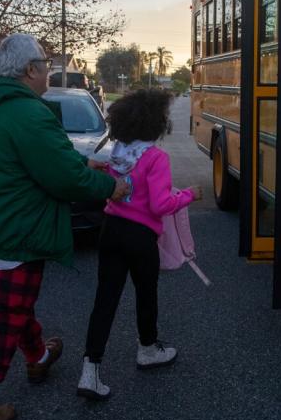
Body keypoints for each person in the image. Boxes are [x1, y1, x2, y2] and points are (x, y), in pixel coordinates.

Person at [0, 33, 129, 420]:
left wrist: (88, 162)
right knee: (5, 316)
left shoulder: (2, 108)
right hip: (12, 229)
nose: (49, 68)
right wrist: (109, 188)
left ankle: (37, 356)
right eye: (46, 62)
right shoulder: (28, 113)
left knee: (15, 303)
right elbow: (62, 176)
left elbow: (45, 156)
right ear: (30, 69)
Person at [77, 89, 202, 400]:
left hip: (111, 230)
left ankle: (89, 370)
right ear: (155, 124)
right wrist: (189, 195)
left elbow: (114, 180)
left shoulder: (118, 152)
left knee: (105, 299)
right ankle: (147, 349)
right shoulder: (156, 158)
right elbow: (160, 205)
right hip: (141, 237)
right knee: (146, 293)